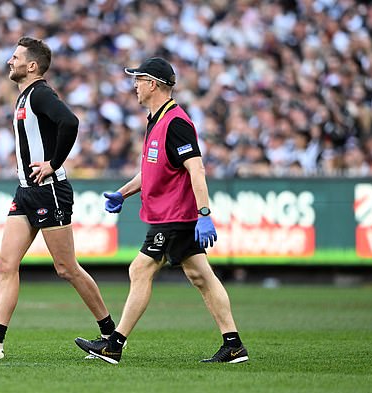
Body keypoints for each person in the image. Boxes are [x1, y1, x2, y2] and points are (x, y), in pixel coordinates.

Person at [74, 57, 248, 364]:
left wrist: (205, 214)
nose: (134, 86)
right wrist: (123, 193)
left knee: (139, 270)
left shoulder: (176, 122)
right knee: (200, 276)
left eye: (138, 80)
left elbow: (197, 169)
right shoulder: (156, 119)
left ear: (153, 84)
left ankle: (114, 345)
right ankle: (233, 345)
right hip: (169, 214)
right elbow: (152, 170)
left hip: (175, 216)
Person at [0, 36, 115, 360]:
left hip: (48, 190)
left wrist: (54, 163)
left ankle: (111, 335)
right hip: (26, 191)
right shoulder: (24, 97)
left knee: (66, 268)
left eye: (15, 57)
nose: (9, 61)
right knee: (5, 263)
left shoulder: (40, 94)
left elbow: (70, 121)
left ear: (32, 65)